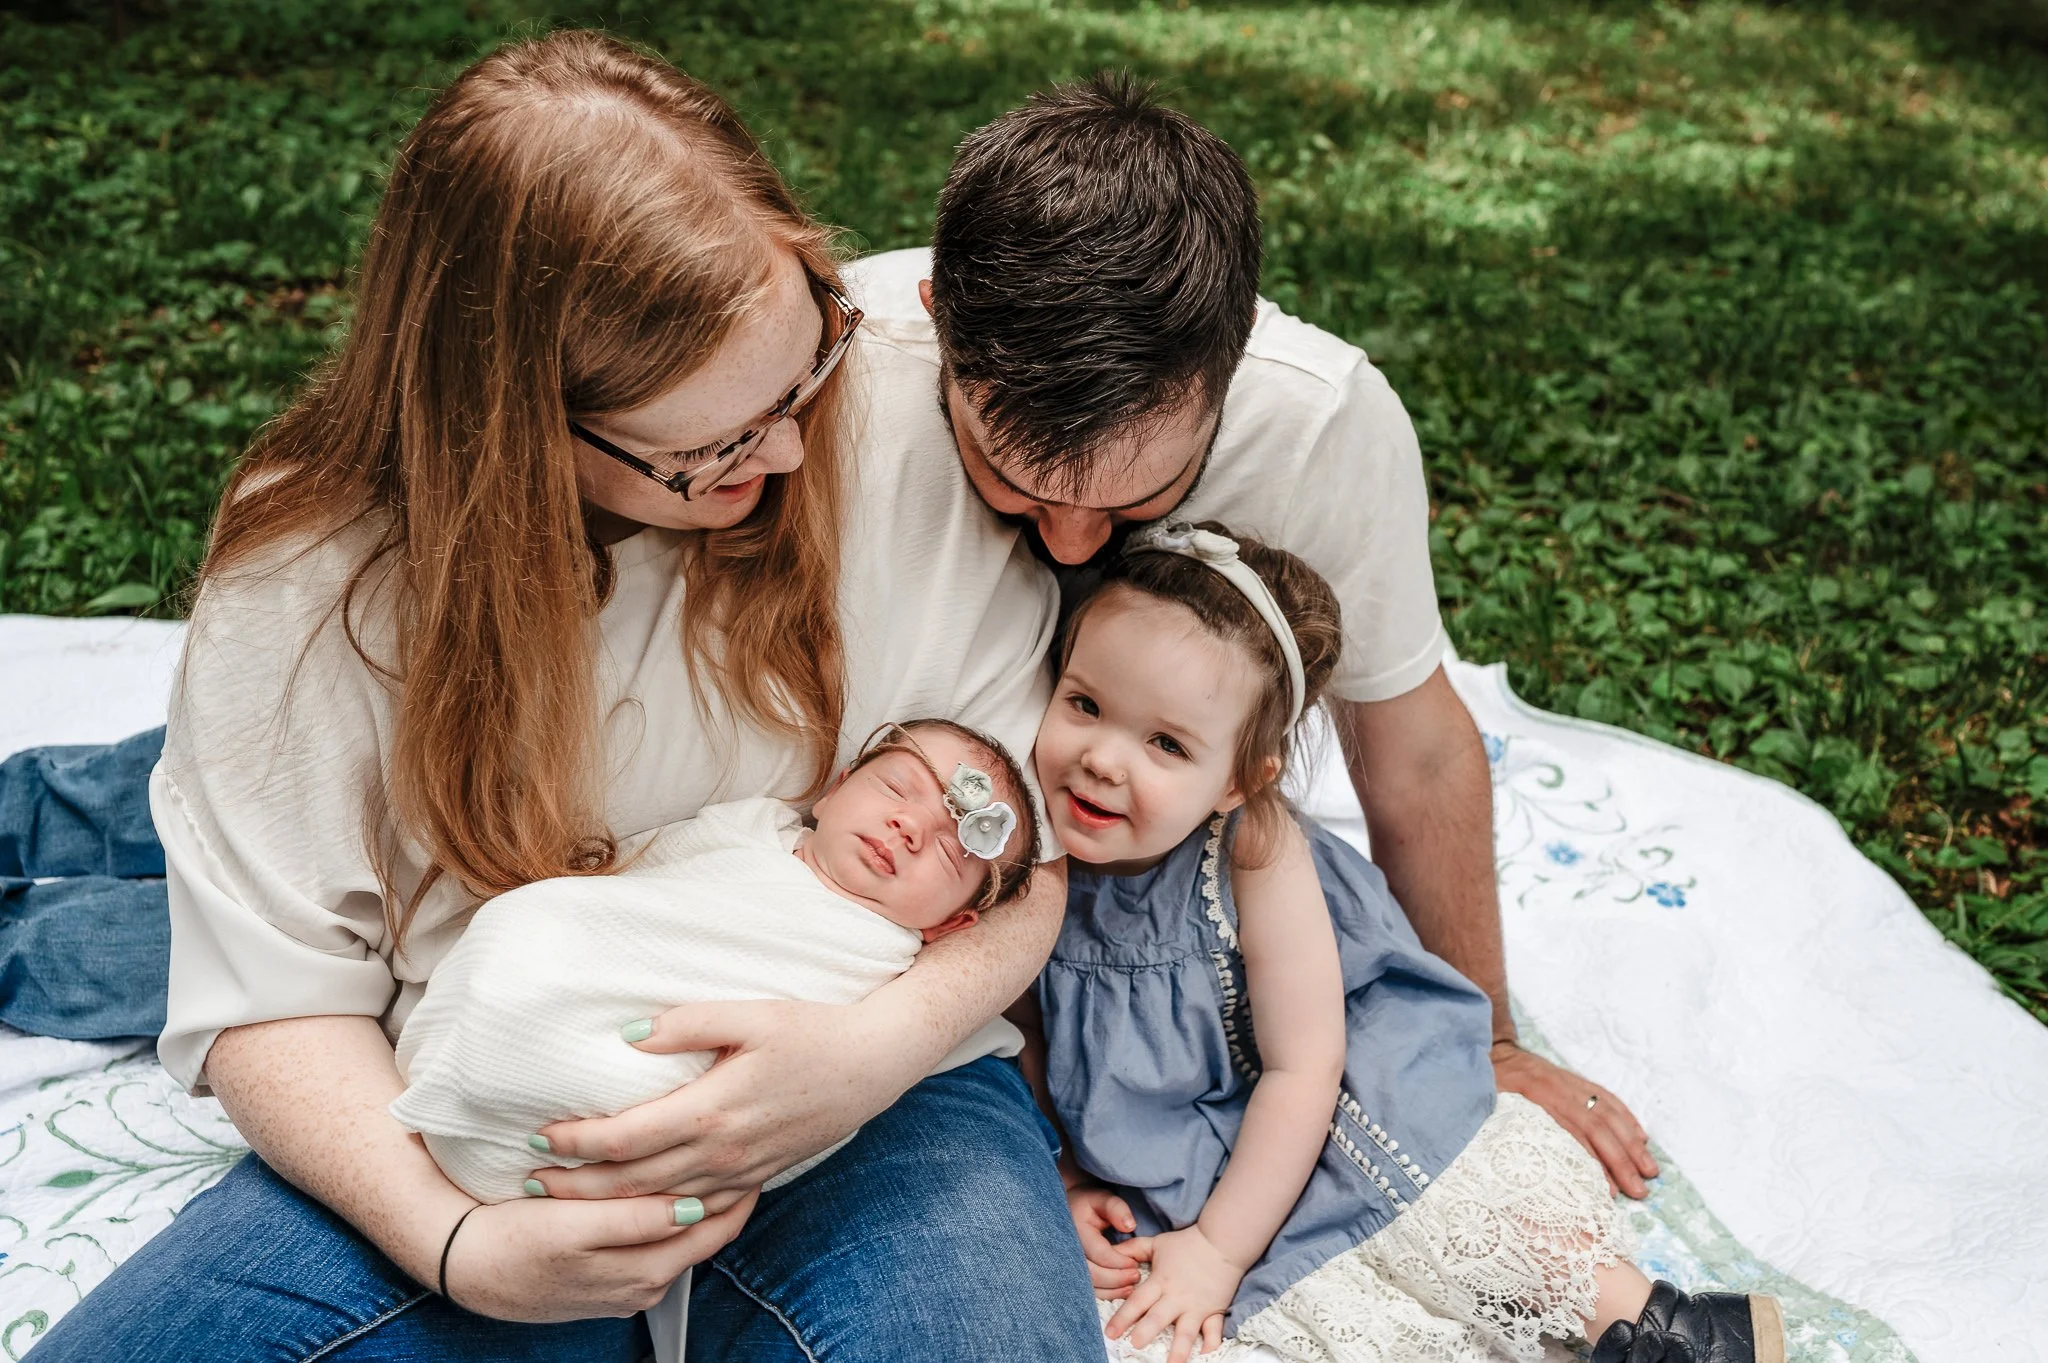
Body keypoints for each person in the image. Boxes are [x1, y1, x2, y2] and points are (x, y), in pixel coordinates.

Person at [30, 31, 1105, 1362]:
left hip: (885, 1095)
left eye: (801, 368)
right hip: (491, 1117)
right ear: (519, 428)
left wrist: (874, 1049)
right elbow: (274, 993)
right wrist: (454, 1241)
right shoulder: (313, 581)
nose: (785, 445)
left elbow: (1033, 859)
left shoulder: (880, 395)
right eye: (707, 449)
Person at [841, 74, 1662, 1200]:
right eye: (1009, 480)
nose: (1076, 542)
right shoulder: (837, 392)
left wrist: (1491, 1042)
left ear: (1228, 364)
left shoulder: (1321, 424)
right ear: (939, 323)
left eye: (1142, 494)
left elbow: (1410, 746)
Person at [1027, 521, 1783, 1363]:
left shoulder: (1252, 847)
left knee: (1453, 1205)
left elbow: (1302, 1065)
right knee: (1304, 1319)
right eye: (1085, 704)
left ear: (1239, 780)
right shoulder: (1024, 854)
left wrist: (1219, 1249)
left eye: (1165, 743)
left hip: (1340, 1070)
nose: (1102, 759)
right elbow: (1018, 1034)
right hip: (1181, 1150)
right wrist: (1065, 1174)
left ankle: (1664, 1332)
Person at [393, 719, 1038, 1206]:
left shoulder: (886, 967)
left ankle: (517, 1108)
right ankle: (489, 1055)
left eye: (953, 854)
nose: (910, 828)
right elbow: (639, 877)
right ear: (835, 789)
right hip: (561, 978)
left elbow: (832, 1087)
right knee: (529, 925)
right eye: (896, 788)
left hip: (657, 1101)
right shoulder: (748, 827)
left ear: (952, 924)